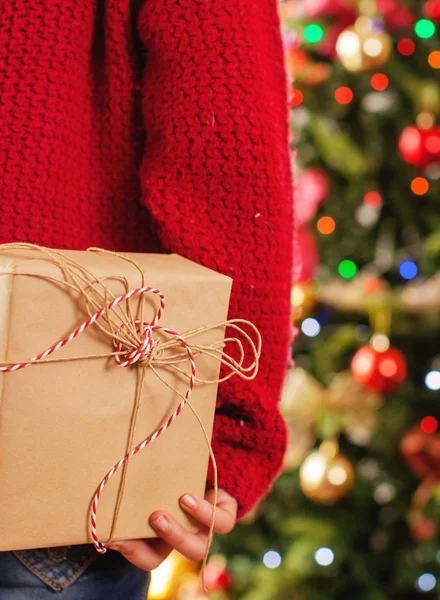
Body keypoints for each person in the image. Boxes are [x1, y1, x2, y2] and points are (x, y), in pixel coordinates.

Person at [0, 0, 293, 598]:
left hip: (46, 462)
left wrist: (222, 445)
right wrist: (223, 442)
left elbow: (225, 149)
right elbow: (227, 147)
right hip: (51, 462)